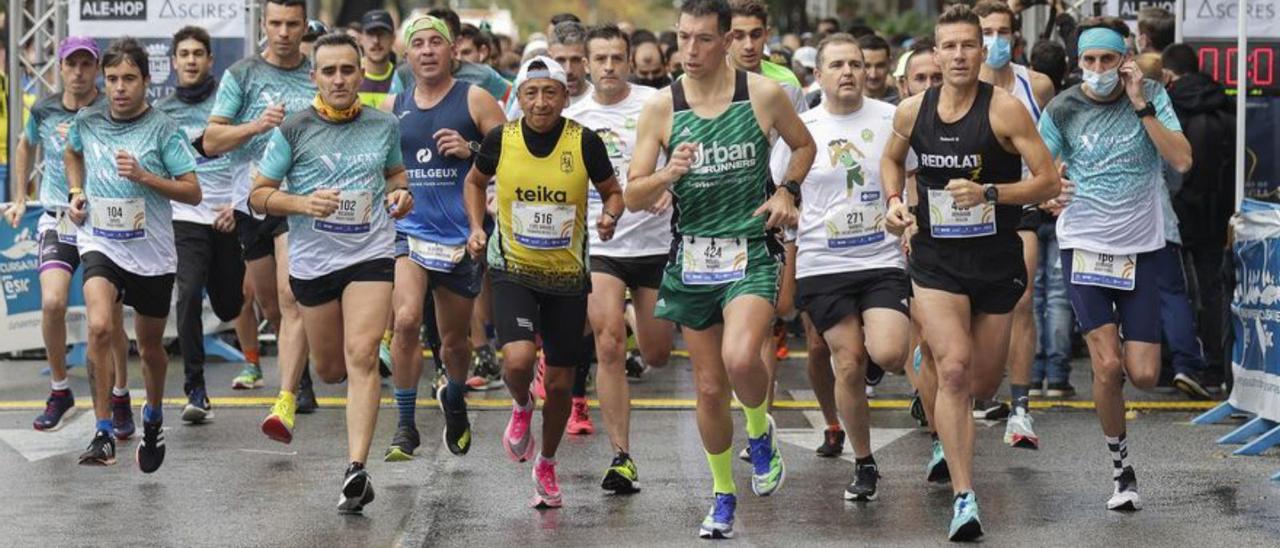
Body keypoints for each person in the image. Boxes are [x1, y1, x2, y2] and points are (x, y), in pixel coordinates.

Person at [627, 0, 816, 538]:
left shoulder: (761, 95)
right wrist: (668, 174)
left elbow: (804, 145)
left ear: (728, 39)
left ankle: (759, 431)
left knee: (740, 356)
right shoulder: (662, 108)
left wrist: (787, 190)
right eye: (683, 37)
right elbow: (635, 194)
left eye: (703, 39)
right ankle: (723, 494)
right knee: (709, 389)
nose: (689, 50)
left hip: (751, 249)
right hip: (693, 256)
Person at [881, 4, 1059, 540]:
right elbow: (892, 160)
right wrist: (895, 200)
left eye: (969, 45)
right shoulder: (914, 111)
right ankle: (965, 499)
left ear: (982, 52)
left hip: (995, 263)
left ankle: (931, 359)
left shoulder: (1004, 110)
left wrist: (990, 193)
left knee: (981, 383)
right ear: (935, 53)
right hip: (936, 262)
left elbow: (1047, 180)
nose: (959, 55)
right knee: (956, 370)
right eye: (949, 46)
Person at [249, 32, 412, 513]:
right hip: (314, 262)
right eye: (329, 71)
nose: (340, 79)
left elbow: (396, 178)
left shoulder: (384, 125)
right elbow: (258, 194)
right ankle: (338, 427)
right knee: (331, 368)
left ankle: (356, 470)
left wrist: (401, 196)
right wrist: (301, 203)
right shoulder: (295, 129)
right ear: (314, 77)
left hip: (370, 254)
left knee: (362, 355)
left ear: (361, 74)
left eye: (348, 70)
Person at [1036, 16, 1192, 513]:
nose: (1098, 69)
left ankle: (1125, 390)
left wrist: (1143, 106)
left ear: (1124, 59)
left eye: (1108, 59)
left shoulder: (1149, 94)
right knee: (1106, 366)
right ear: (1078, 63)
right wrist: (1050, 193)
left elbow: (1183, 160)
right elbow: (1037, 175)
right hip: (1083, 245)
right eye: (1089, 60)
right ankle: (1121, 469)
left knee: (1143, 374)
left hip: (1141, 249)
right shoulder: (1063, 108)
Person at [464, 56, 623, 509]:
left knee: (558, 384)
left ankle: (548, 462)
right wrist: (477, 227)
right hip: (513, 268)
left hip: (567, 277)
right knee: (517, 360)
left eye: (549, 92)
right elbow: (474, 183)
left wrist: (610, 215)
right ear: (520, 98)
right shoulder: (501, 140)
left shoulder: (584, 142)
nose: (539, 102)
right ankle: (519, 406)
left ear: (564, 96)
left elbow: (613, 190)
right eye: (531, 93)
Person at [773, 33, 911, 501]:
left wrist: (907, 215)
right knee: (847, 363)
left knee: (890, 353)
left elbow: (911, 175)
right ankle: (865, 461)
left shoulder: (892, 118)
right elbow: (780, 190)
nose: (849, 72)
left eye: (855, 64)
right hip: (823, 262)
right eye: (837, 65)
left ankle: (877, 359)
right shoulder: (801, 127)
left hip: (881, 256)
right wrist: (786, 227)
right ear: (819, 74)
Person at [65, 37, 202, 471]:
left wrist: (145, 176)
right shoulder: (87, 121)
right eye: (112, 80)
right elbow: (72, 151)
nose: (119, 88)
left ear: (146, 80)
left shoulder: (163, 129)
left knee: (149, 347)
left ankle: (154, 415)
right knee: (101, 326)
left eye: (128, 79)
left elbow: (193, 191)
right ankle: (103, 430)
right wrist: (76, 190)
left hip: (152, 252)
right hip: (101, 242)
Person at [378, 15, 506, 461]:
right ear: (407, 55)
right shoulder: (394, 106)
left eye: (437, 43)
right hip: (410, 234)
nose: (428, 50)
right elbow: (384, 170)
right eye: (419, 44)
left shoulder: (474, 98)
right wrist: (393, 195)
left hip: (459, 238)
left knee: (454, 342)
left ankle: (454, 395)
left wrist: (471, 150)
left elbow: (514, 152)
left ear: (453, 51)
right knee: (408, 319)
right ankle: (405, 425)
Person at [564, 24, 674, 494]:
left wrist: (667, 190)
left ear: (629, 60)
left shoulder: (656, 104)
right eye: (600, 58)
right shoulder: (573, 116)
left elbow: (681, 162)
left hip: (652, 244)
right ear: (586, 64)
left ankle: (634, 318)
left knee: (657, 354)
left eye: (616, 58)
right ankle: (621, 455)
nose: (609, 66)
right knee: (608, 343)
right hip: (599, 244)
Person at [203, 0, 319, 440]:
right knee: (270, 304)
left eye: (292, 24)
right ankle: (299, 371)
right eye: (276, 24)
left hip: (298, 201)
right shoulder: (242, 75)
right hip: (251, 201)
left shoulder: (317, 72)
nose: (284, 32)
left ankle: (289, 392)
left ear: (304, 25)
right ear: (263, 25)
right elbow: (211, 140)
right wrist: (255, 126)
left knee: (291, 298)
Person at [5, 37, 131, 437]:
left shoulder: (108, 108)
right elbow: (25, 146)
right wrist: (20, 196)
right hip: (59, 218)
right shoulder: (43, 107)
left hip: (103, 222)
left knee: (108, 320)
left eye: (85, 64)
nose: (78, 72)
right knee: (53, 301)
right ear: (60, 68)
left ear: (96, 69)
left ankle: (120, 393)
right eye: (71, 64)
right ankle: (60, 390)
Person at [156, 26, 250, 424]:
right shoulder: (161, 112)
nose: (191, 60)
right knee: (189, 293)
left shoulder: (228, 104)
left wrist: (237, 203)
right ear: (174, 61)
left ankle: (296, 382)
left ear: (211, 61)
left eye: (199, 53)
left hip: (229, 212)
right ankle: (195, 388)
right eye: (184, 53)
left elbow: (251, 154)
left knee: (231, 303)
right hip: (186, 216)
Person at [974, 0, 1056, 447]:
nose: (995, 41)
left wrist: (1057, 178)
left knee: (1022, 300)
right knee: (962, 306)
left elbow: (1057, 136)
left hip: (1019, 202)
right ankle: (951, 391)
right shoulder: (961, 84)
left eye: (1002, 31)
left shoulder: (1036, 84)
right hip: (967, 205)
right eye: (986, 31)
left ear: (1016, 37)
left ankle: (1021, 409)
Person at [1163, 42, 1234, 391]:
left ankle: (1174, 364)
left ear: (1169, 74)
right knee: (1214, 287)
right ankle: (1218, 366)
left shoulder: (1170, 107)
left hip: (1177, 209)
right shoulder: (1224, 103)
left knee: (1173, 289)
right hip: (1218, 209)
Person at [727, 0, 808, 111]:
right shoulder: (707, 80)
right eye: (738, 36)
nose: (749, 45)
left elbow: (803, 127)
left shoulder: (787, 81)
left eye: (756, 35)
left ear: (766, 35)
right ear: (725, 38)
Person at [505, 21, 594, 120]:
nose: (568, 70)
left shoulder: (602, 105)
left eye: (576, 60)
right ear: (549, 57)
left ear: (587, 60)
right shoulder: (527, 102)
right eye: (560, 60)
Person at [357, 9, 398, 108]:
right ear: (360, 39)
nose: (376, 41)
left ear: (393, 38)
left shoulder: (402, 78)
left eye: (382, 34)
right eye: (370, 34)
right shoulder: (350, 76)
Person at [858, 34, 898, 104]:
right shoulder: (845, 102)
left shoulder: (902, 103)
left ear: (890, 63)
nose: (873, 75)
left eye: (880, 66)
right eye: (866, 66)